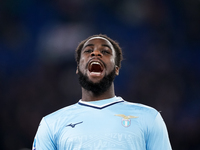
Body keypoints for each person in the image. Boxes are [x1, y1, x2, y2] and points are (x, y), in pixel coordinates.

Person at [32, 34, 172, 150]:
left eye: (105, 52)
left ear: (116, 68)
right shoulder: (51, 124)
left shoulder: (149, 118)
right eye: (88, 51)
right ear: (78, 67)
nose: (95, 53)